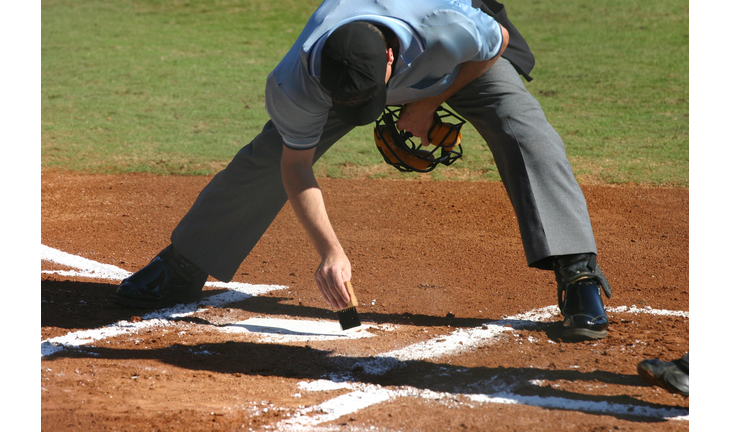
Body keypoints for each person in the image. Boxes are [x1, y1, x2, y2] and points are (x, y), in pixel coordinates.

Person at [113, 0, 612, 341]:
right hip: (379, 58)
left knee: (523, 125)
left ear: (392, 59)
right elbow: (295, 165)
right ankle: (184, 264)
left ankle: (578, 276)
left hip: (455, 61)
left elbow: (496, 40)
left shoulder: (451, 26)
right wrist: (330, 251)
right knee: (269, 152)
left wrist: (428, 103)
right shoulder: (299, 78)